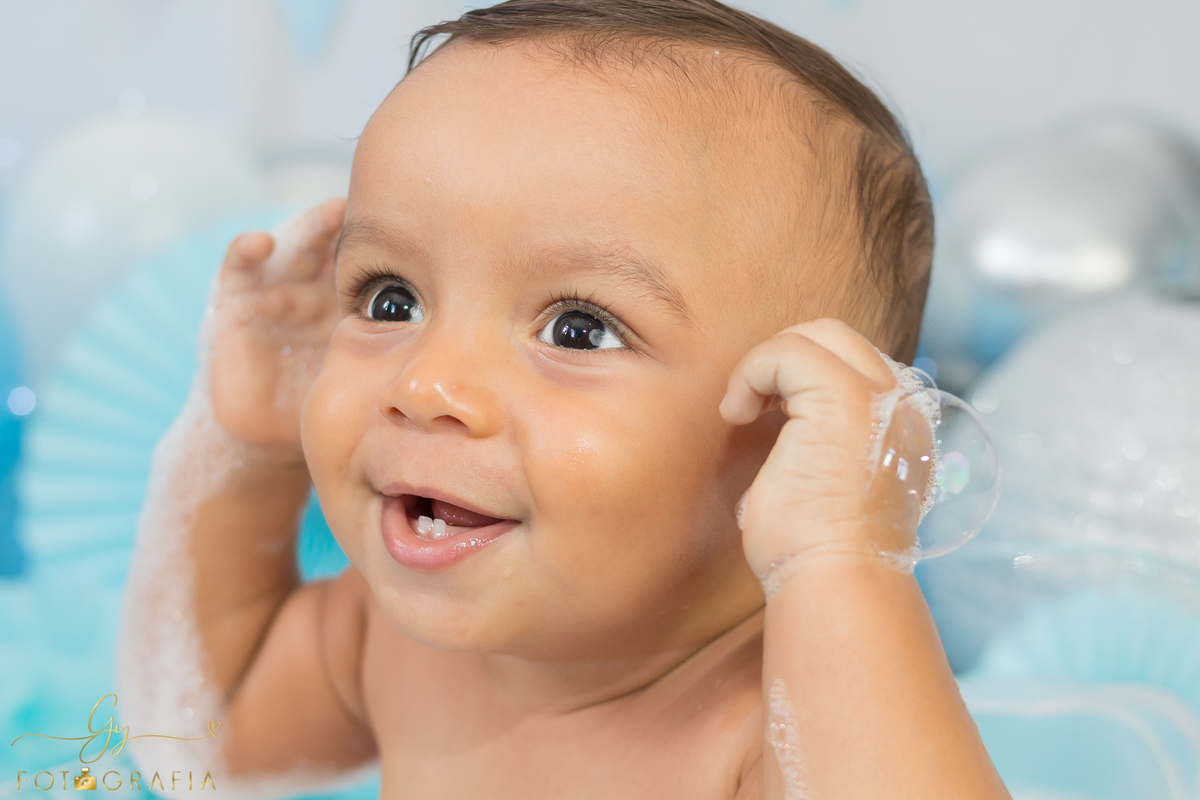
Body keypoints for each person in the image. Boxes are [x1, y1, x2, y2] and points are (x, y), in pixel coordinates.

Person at [118, 1, 1010, 797]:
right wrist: (242, 453)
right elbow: (202, 741)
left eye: (578, 329)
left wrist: (842, 564)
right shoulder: (394, 645)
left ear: (791, 434)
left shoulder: (770, 729)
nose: (426, 385)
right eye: (392, 299)